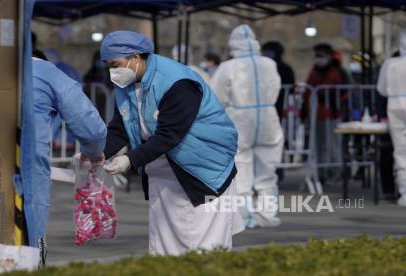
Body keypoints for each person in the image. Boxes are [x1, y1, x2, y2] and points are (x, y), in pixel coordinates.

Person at [100, 30, 244, 256]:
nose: (112, 72)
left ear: (136, 57)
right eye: (108, 66)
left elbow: (170, 134)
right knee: (166, 248)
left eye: (115, 64)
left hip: (203, 169)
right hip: (165, 168)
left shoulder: (178, 82)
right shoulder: (127, 83)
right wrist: (97, 153)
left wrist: (129, 160)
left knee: (205, 248)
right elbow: (122, 126)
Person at [31, 55, 107, 263]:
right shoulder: (46, 73)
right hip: (26, 186)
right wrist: (93, 153)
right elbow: (90, 128)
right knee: (26, 254)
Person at [211, 24, 283, 228]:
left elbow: (216, 96)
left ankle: (245, 217)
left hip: (239, 119)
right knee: (267, 171)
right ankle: (268, 216)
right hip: (268, 117)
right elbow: (275, 87)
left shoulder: (227, 67)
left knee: (241, 169)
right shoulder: (269, 63)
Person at [304, 43, 348, 182]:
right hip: (315, 114)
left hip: (331, 114)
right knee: (317, 145)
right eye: (317, 56)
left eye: (322, 56)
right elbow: (309, 90)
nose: (319, 59)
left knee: (333, 145)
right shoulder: (314, 72)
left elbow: (334, 92)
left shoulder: (335, 72)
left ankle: (337, 171)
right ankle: (320, 172)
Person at [376, 32, 406, 207]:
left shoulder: (390, 64)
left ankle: (404, 191)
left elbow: (382, 89)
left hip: (394, 105)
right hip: (396, 103)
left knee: (401, 150)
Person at [262, 41, 295, 118]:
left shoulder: (285, 69)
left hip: (279, 102)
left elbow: (290, 87)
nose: (267, 54)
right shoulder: (260, 68)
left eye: (270, 51)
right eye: (265, 51)